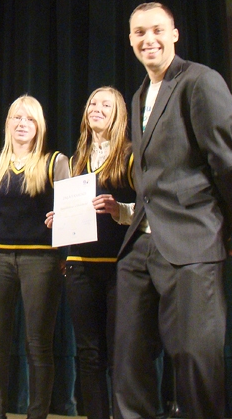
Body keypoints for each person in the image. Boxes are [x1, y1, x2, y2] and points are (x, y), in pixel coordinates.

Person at [115, 2, 232, 419]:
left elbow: (227, 166)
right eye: (138, 33)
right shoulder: (138, 95)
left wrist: (218, 229)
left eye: (156, 30)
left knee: (195, 361)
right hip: (141, 244)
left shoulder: (200, 81)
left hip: (192, 239)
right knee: (129, 362)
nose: (147, 39)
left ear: (175, 34)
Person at [0, 95, 69, 419]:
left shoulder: (55, 162)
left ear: (38, 125)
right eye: (16, 118)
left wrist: (66, 248)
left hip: (40, 260)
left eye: (29, 119)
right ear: (8, 124)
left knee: (38, 344)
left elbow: (72, 216)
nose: (22, 124)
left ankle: (36, 414)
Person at [46, 87, 135, 419]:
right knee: (88, 353)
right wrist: (59, 218)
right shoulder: (74, 160)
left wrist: (118, 209)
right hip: (80, 266)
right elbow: (73, 212)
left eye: (106, 104)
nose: (97, 108)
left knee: (119, 353)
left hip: (120, 267)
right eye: (93, 103)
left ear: (119, 114)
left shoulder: (130, 155)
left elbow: (149, 208)